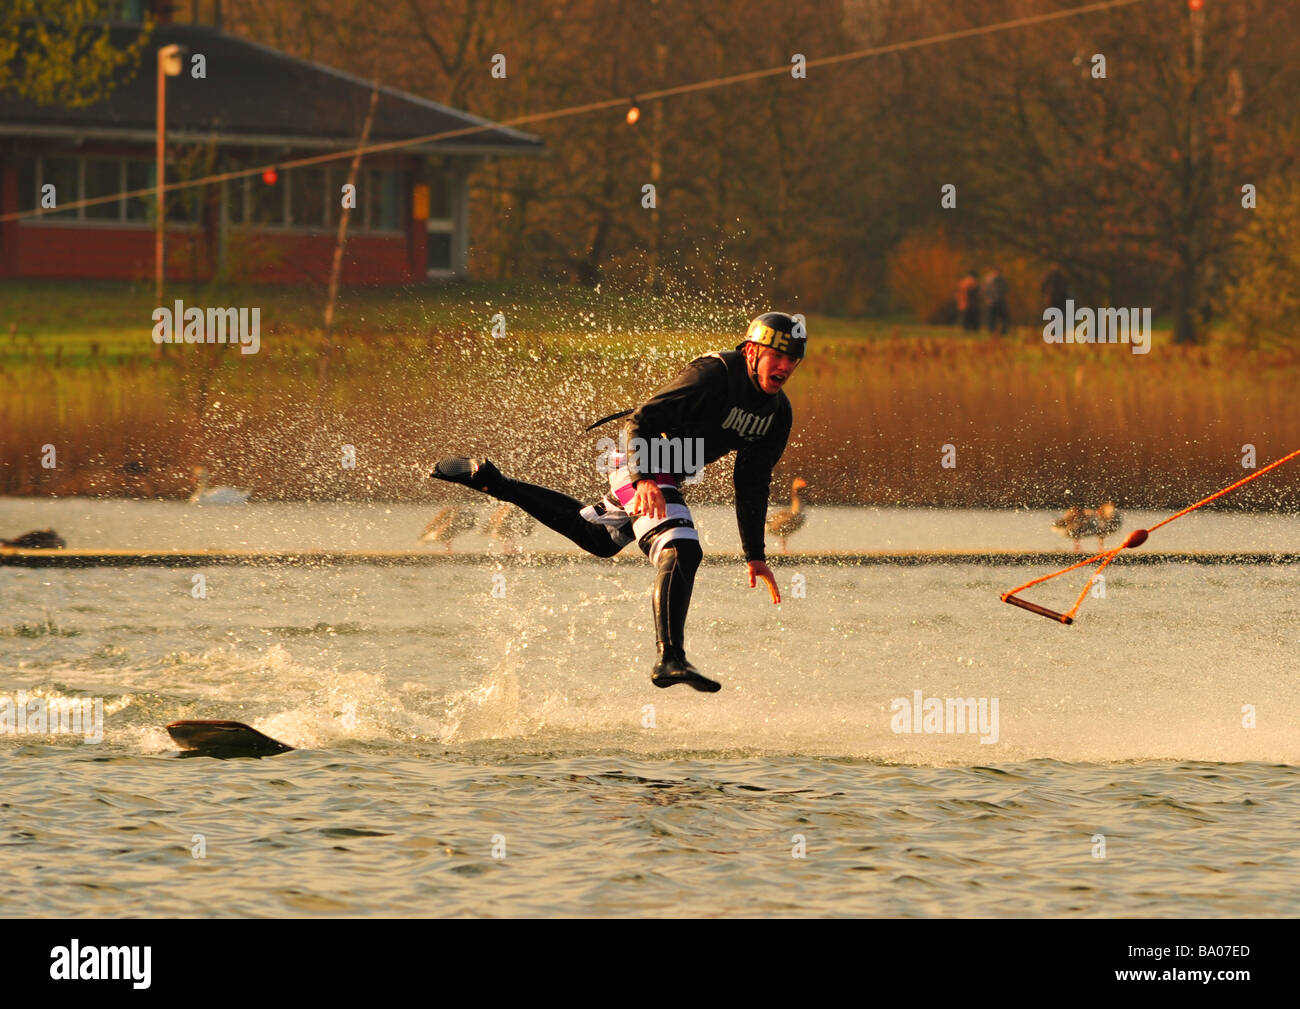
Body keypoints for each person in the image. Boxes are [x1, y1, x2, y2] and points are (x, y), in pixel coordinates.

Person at [430, 312, 804, 693]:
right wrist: (642, 479)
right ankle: (669, 658)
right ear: (753, 351)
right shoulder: (716, 373)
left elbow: (752, 483)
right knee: (681, 550)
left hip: (666, 474)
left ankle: (493, 482)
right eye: (778, 356)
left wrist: (754, 554)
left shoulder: (777, 415)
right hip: (640, 458)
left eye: (794, 360)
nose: (786, 366)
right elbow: (640, 420)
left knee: (597, 539)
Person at [982, 267, 1009, 334]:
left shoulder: (989, 279)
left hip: (997, 301)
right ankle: (993, 331)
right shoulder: (990, 280)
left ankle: (1001, 331)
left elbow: (1005, 289)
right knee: (993, 317)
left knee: (1001, 317)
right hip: (994, 301)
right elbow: (985, 290)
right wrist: (987, 298)